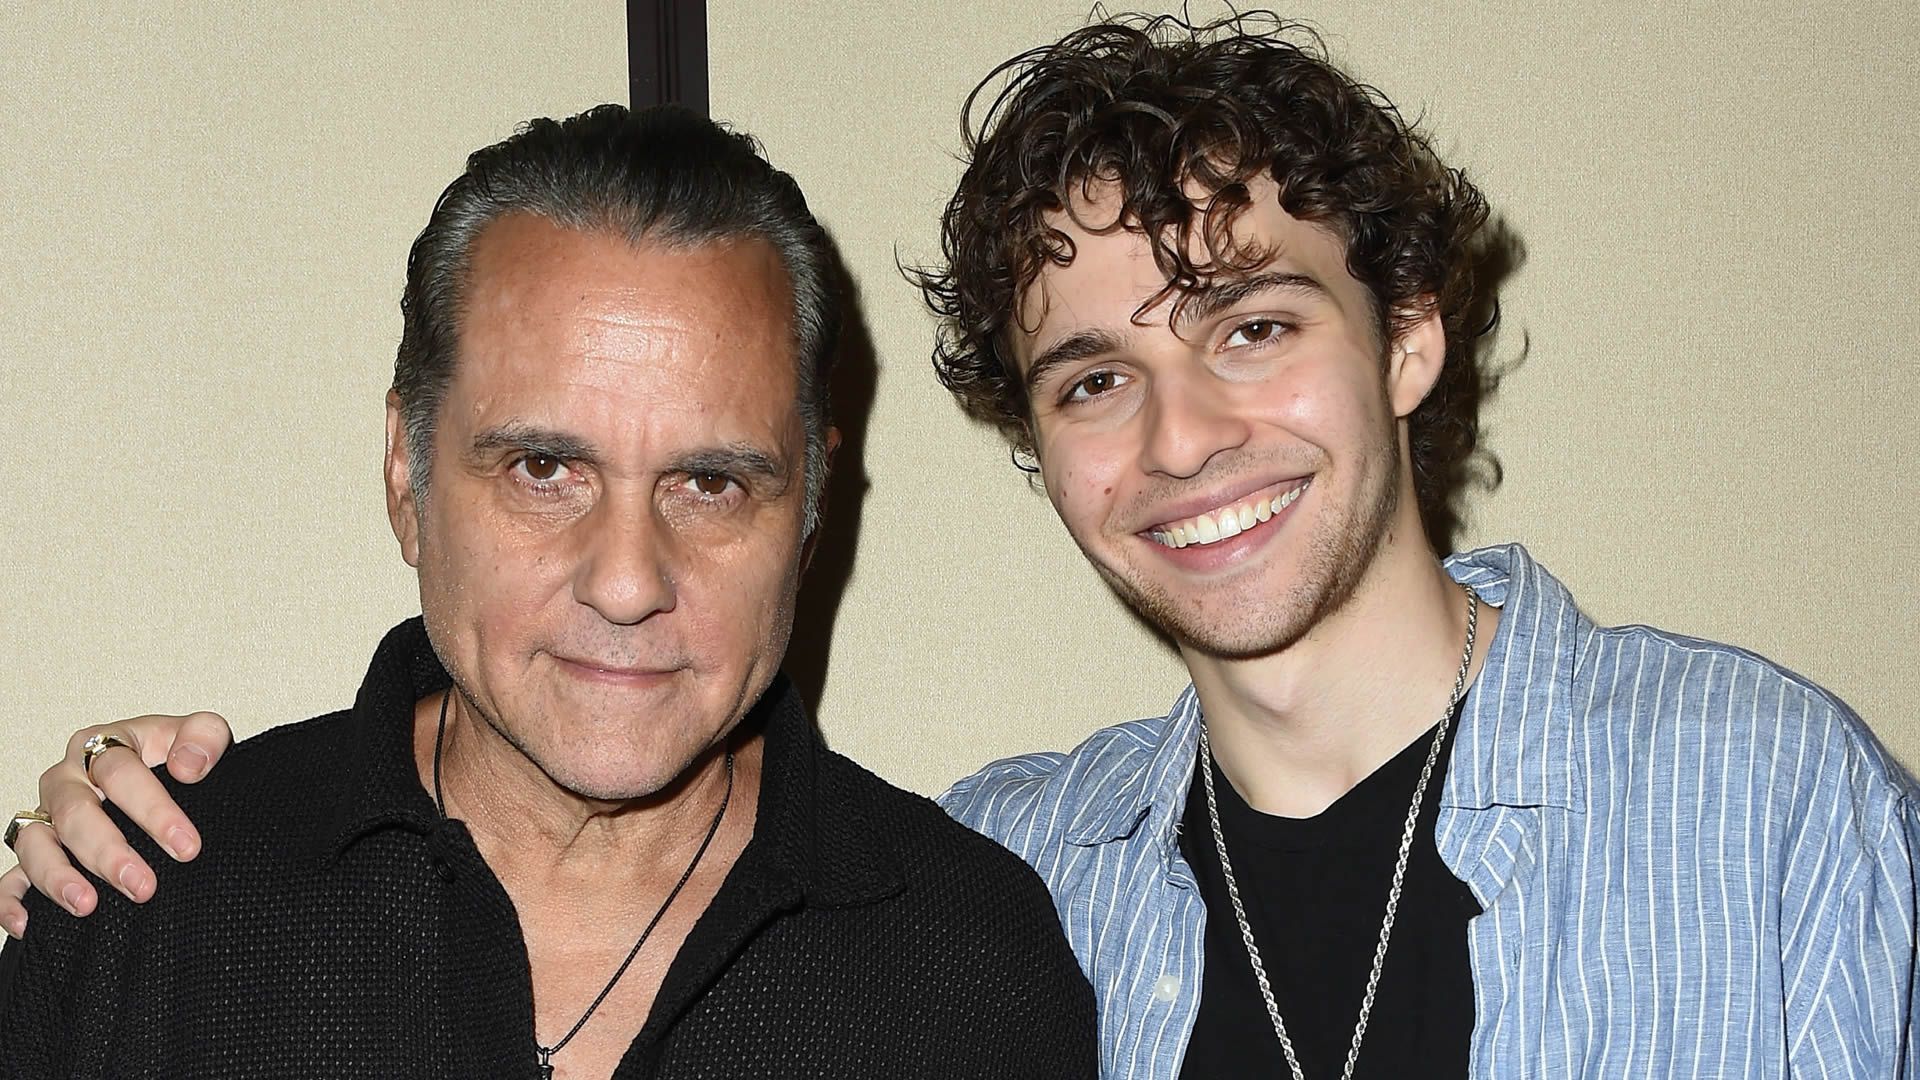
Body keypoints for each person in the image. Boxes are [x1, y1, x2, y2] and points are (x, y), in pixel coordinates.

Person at [8, 13, 1918, 1079]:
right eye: (1092, 377)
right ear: (407, 477)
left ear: (1408, 332)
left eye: (1253, 325)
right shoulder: (1030, 877)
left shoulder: (1763, 803)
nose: (1182, 438)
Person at [0, 103, 1096, 1078]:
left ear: (809, 506)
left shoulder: (974, 964)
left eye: (710, 482)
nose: (626, 583)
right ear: (407, 476)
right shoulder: (138, 910)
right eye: (543, 470)